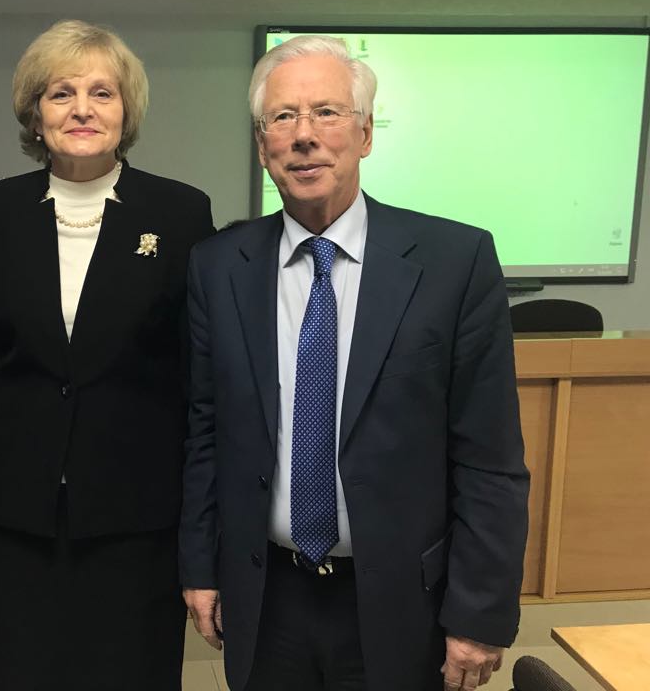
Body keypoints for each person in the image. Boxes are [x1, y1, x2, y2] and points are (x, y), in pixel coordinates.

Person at [180, 35, 529, 691]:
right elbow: (205, 430)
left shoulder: (454, 263)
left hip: (403, 603)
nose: (304, 135)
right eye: (283, 117)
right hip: (267, 596)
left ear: (365, 133)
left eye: (327, 112)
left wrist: (479, 613)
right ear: (262, 144)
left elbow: (490, 461)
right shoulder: (219, 266)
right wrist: (201, 567)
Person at [0, 19, 214, 690]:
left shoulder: (181, 214)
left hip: (136, 518)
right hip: (16, 515)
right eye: (61, 93)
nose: (82, 109)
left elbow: (195, 379)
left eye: (102, 93)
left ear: (126, 110)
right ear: (34, 112)